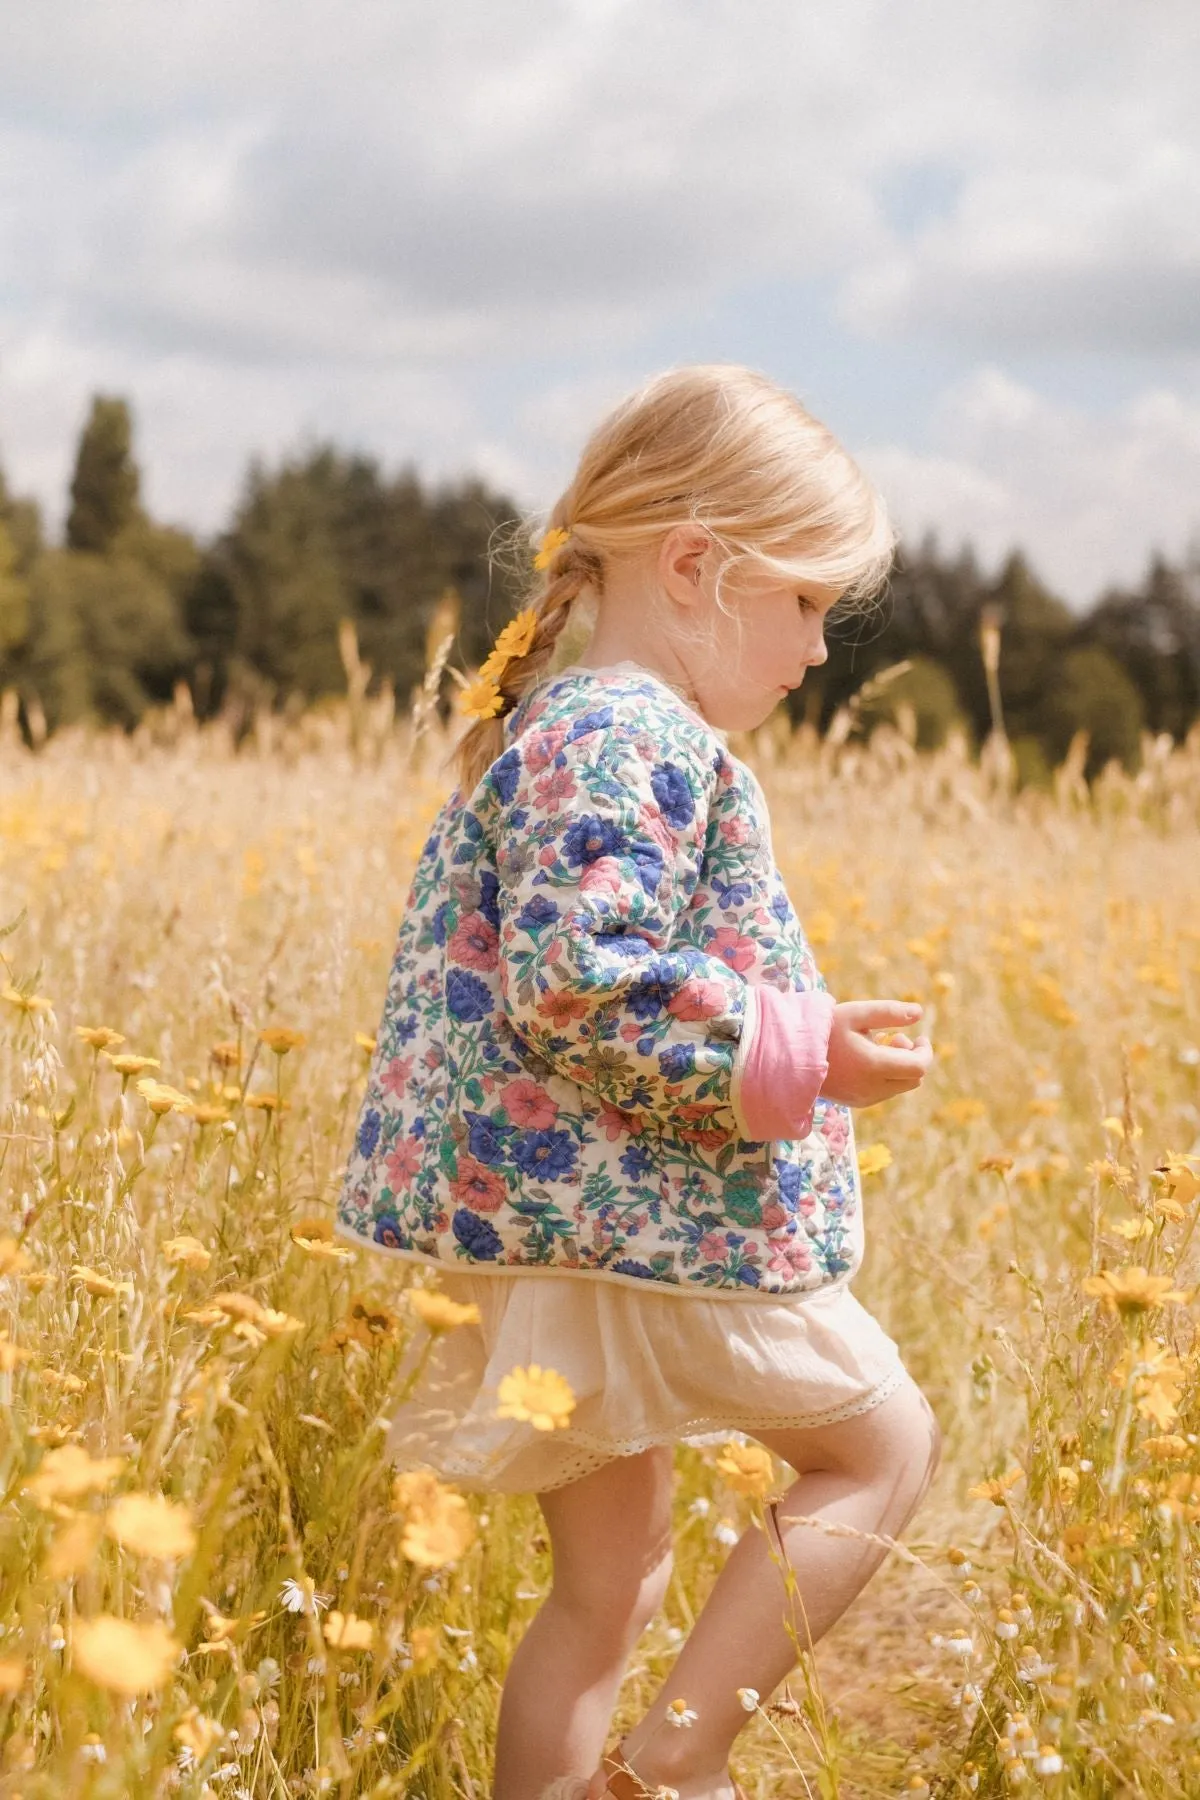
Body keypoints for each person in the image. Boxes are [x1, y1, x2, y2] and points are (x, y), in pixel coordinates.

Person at [337, 364, 941, 1800]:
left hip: (556, 1223)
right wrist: (803, 1053)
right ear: (693, 566)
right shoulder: (628, 731)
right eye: (802, 605)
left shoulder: (577, 720)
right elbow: (580, 977)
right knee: (880, 1452)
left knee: (608, 1590)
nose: (812, 653)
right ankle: (673, 1773)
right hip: (625, 1226)